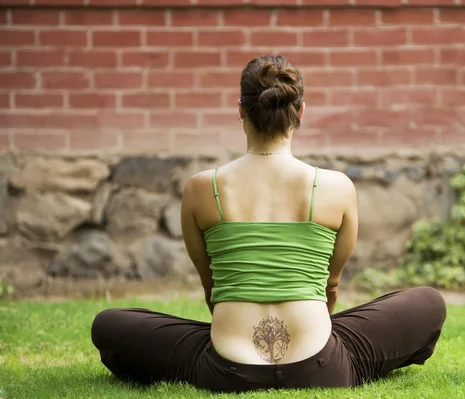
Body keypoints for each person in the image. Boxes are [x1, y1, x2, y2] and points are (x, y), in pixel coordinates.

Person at [91, 55, 447, 393]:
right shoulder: (337, 187)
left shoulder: (201, 188)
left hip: (224, 368)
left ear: (241, 110)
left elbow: (213, 290)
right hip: (322, 364)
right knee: (428, 302)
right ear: (301, 112)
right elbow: (330, 288)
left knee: (109, 324)